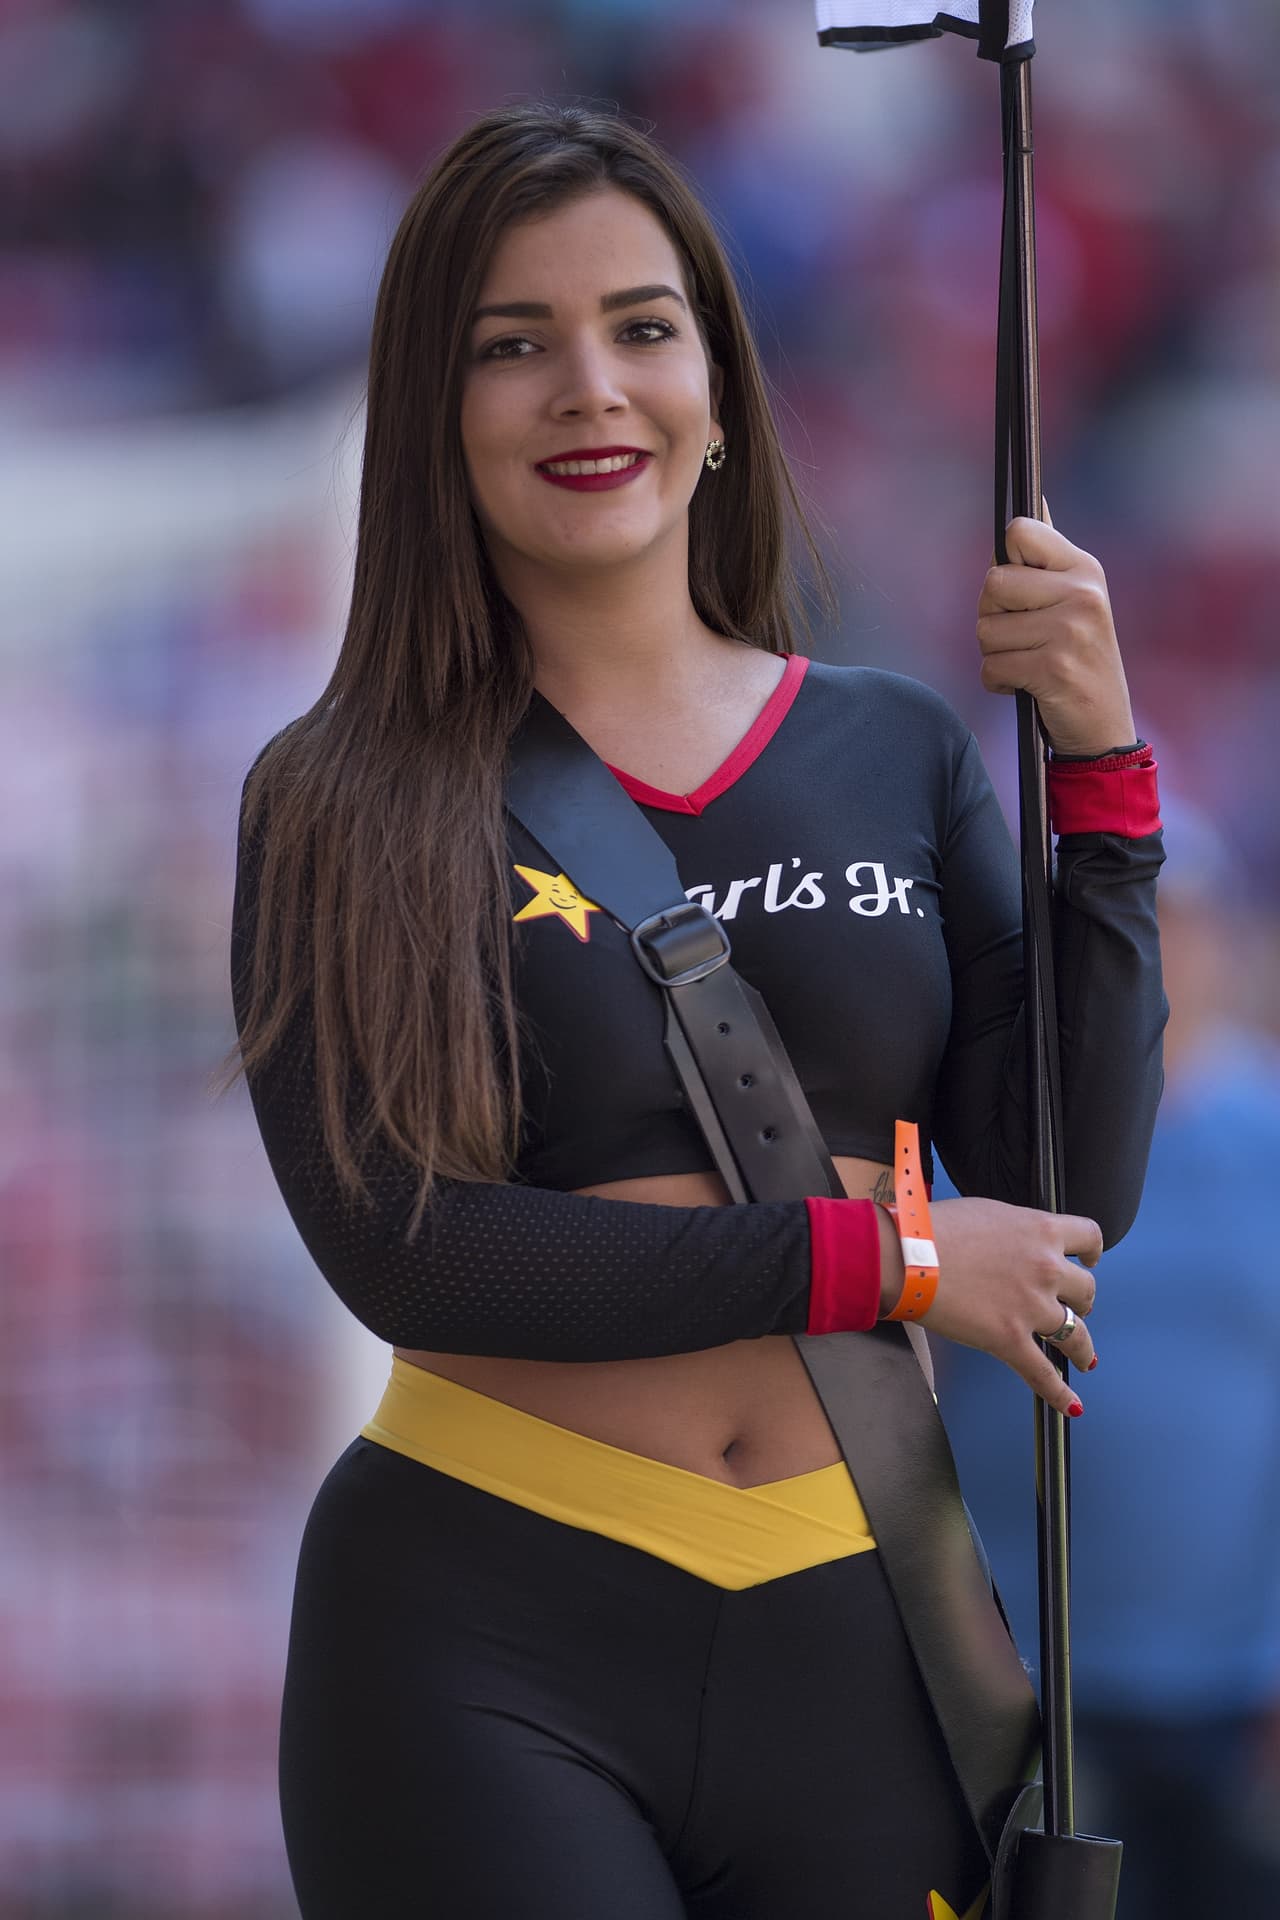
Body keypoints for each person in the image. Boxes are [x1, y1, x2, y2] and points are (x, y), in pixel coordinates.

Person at [219, 101, 1166, 1920]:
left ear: (720, 390)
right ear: (435, 414)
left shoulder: (891, 745)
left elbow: (1065, 1187)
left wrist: (1104, 783)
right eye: (515, 346)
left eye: (643, 328)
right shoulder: (333, 792)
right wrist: (885, 1264)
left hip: (863, 1606)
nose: (590, 387)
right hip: (482, 1629)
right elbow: (401, 1251)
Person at [936, 800, 1280, 1920]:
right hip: (1028, 1675)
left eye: (1183, 924)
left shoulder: (1266, 1139)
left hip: (1237, 1684)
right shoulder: (991, 1152)